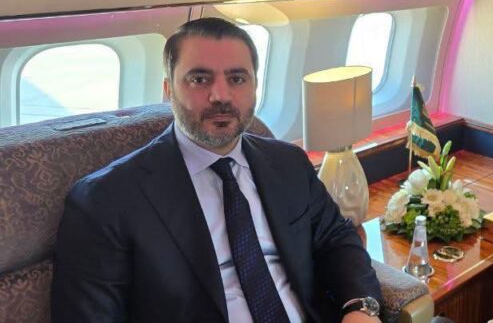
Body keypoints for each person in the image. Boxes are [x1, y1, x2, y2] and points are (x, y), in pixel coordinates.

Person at [51, 18, 382, 323]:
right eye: (199, 79)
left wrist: (361, 307)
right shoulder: (106, 200)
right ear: (168, 90)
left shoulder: (288, 163)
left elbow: (336, 239)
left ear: (255, 86)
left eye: (237, 79)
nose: (221, 96)